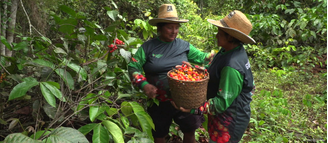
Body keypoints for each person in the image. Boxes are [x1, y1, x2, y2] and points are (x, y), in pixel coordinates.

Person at [128, 4, 214, 143]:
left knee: (189, 130)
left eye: (176, 27)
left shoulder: (184, 46)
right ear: (160, 28)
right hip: (159, 101)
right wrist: (143, 84)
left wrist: (218, 54)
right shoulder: (148, 47)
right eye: (169, 27)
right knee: (159, 134)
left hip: (185, 99)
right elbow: (133, 66)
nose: (174, 31)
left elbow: (204, 58)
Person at [171, 10, 256, 143]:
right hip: (221, 116)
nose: (216, 36)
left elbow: (220, 104)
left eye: (220, 33)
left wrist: (194, 109)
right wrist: (192, 71)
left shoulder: (232, 67)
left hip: (231, 119)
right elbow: (216, 70)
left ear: (230, 37)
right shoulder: (228, 51)